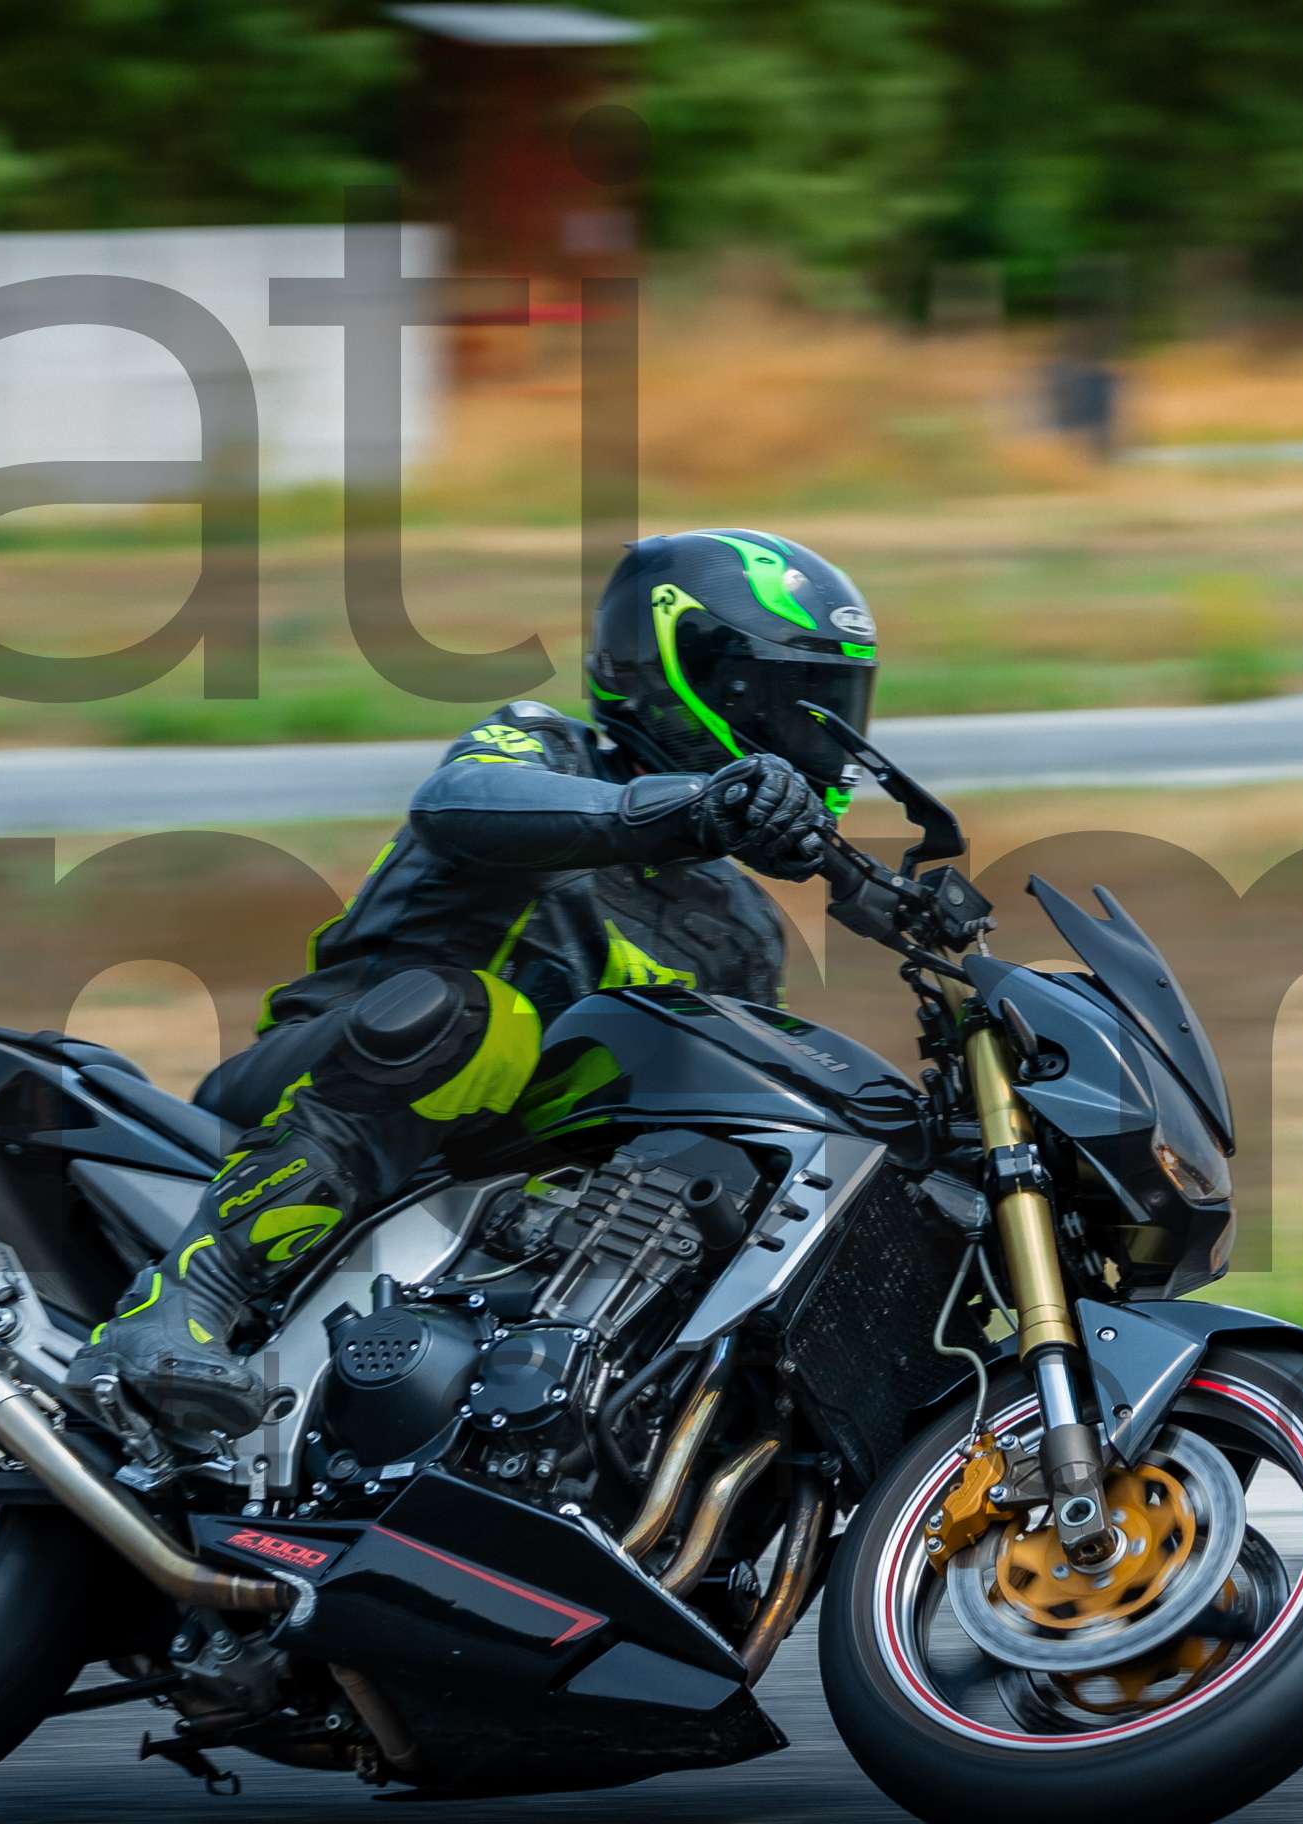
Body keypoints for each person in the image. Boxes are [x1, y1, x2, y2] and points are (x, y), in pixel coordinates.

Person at [75, 530, 883, 1444]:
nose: (817, 736)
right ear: (682, 674)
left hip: (497, 1192)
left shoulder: (742, 925)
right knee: (488, 1019)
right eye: (786, 699)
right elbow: (458, 801)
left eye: (834, 705)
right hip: (317, 1086)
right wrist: (685, 808)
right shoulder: (543, 749)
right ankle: (183, 1299)